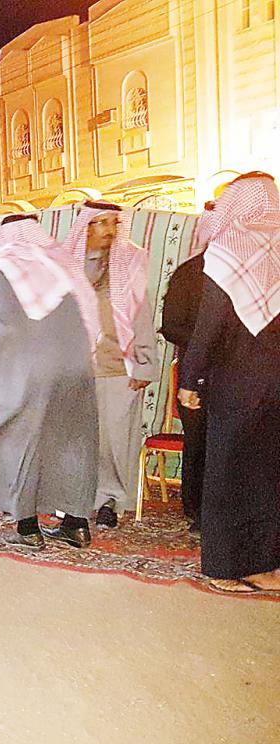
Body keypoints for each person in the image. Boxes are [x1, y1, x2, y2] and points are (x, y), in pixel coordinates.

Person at [0, 215, 101, 548]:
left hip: (32, 376)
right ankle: (76, 525)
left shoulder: (9, 266)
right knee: (72, 449)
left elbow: (1, 322)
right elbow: (91, 317)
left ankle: (28, 529)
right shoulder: (61, 265)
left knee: (22, 448)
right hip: (76, 373)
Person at [177, 173, 280, 594]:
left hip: (236, 382)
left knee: (228, 475)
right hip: (273, 383)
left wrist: (190, 379)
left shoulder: (226, 250)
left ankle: (228, 567)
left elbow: (210, 325)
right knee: (268, 475)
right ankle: (263, 564)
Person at [61, 201, 159, 528]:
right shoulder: (67, 264)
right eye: (101, 223)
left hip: (119, 367)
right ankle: (78, 501)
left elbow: (141, 314)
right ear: (86, 226)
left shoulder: (129, 261)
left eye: (114, 223)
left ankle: (110, 501)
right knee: (79, 440)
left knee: (115, 441)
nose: (109, 230)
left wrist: (144, 365)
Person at [159, 203, 215, 535]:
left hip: (239, 379)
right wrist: (205, 341)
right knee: (200, 444)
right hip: (198, 374)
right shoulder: (189, 273)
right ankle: (198, 512)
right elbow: (171, 327)